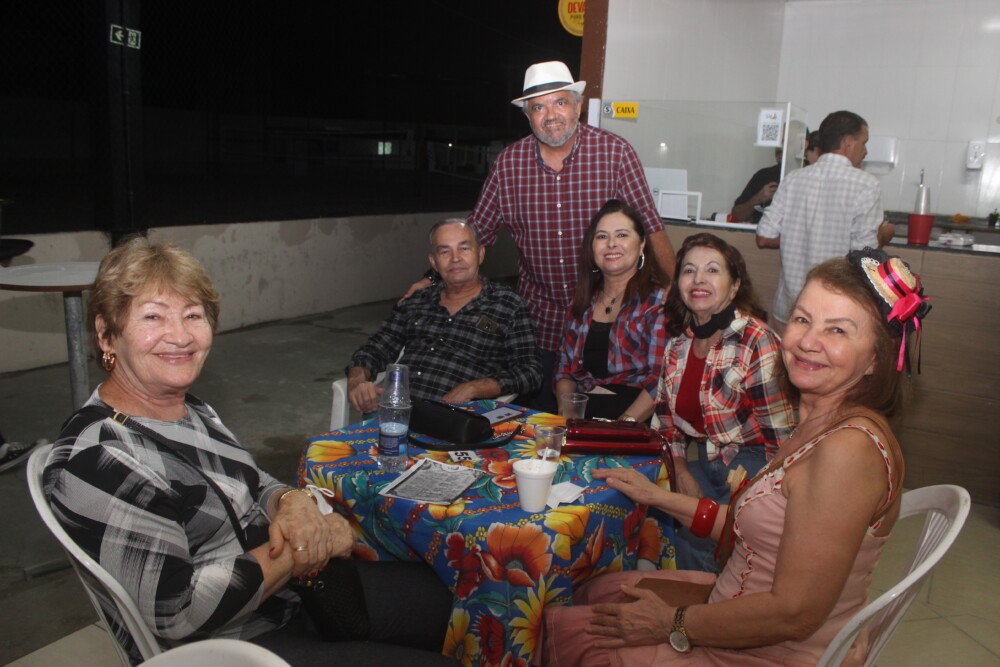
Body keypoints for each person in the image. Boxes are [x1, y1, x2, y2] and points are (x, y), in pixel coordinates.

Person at [43, 237, 457, 666]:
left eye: (193, 315)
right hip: (231, 647)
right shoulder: (98, 460)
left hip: (287, 599)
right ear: (106, 333)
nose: (180, 336)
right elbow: (178, 611)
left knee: (452, 600)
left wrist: (292, 502)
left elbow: (251, 481)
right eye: (153, 316)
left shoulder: (188, 409)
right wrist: (304, 548)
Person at [542, 248, 930, 666]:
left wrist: (671, 622)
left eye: (837, 330)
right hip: (744, 609)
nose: (807, 342)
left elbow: (793, 614)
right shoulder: (821, 422)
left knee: (573, 630)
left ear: (877, 357)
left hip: (770, 651)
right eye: (802, 319)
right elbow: (757, 528)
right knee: (598, 590)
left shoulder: (847, 451)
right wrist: (655, 496)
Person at [407, 61, 676, 413]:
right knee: (541, 421)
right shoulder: (508, 165)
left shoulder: (615, 154)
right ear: (528, 116)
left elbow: (650, 229)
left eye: (560, 102)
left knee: (608, 416)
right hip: (540, 324)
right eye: (538, 107)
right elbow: (476, 235)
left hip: (608, 323)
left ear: (578, 107)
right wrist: (431, 278)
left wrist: (676, 295)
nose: (551, 115)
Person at [656, 233, 795, 572]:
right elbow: (665, 423)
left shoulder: (756, 341)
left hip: (758, 463)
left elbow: (783, 443)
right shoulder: (678, 345)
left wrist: (763, 498)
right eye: (689, 270)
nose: (698, 279)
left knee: (697, 540)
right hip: (708, 460)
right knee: (653, 508)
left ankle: (704, 603)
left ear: (734, 287)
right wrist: (681, 470)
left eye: (712, 270)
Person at [347, 219, 541, 415]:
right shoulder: (416, 302)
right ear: (433, 262)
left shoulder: (508, 305)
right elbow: (375, 349)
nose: (455, 258)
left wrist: (474, 388)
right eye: (444, 251)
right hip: (395, 416)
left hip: (457, 420)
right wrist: (357, 381)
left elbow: (530, 372)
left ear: (480, 254)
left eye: (464, 249)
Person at [756, 110, 895, 334]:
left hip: (789, 309)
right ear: (848, 143)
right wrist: (884, 235)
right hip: (833, 312)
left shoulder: (794, 179)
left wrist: (799, 236)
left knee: (784, 357)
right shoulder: (866, 184)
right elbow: (864, 254)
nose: (866, 151)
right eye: (864, 142)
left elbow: (764, 236)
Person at [553, 199, 667, 422]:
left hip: (636, 419)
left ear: (641, 244)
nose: (612, 244)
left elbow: (661, 379)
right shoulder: (582, 301)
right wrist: (568, 414)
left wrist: (623, 427)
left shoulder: (657, 301)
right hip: (583, 414)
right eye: (602, 236)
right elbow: (564, 368)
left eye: (622, 235)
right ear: (591, 247)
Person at [730, 147, 782, 223]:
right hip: (761, 229)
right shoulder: (764, 175)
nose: (779, 147)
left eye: (784, 142)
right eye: (778, 143)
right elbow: (736, 215)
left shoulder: (800, 178)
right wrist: (759, 198)